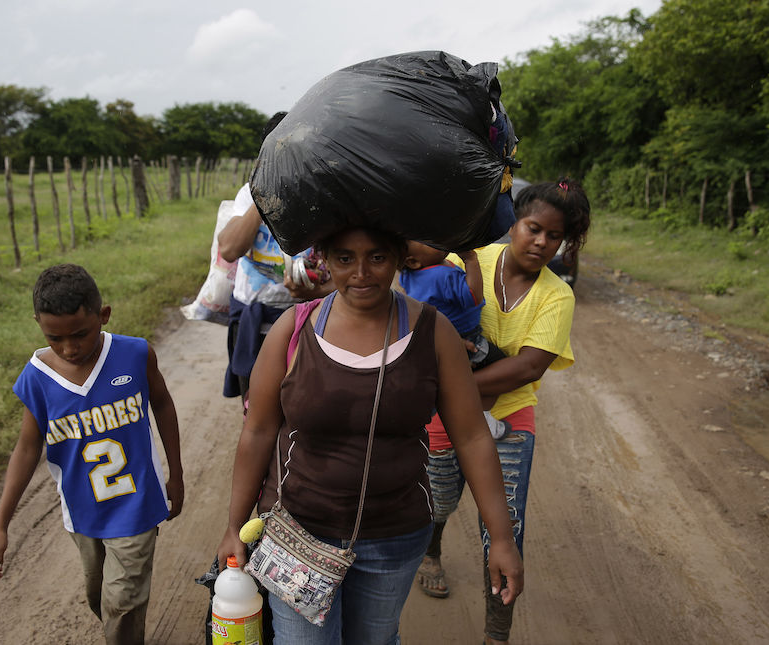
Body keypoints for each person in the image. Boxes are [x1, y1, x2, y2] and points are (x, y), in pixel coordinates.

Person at [217, 225, 524, 644]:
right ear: (324, 258)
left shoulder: (435, 334)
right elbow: (258, 431)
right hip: (297, 534)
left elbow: (471, 436)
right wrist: (235, 524)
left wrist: (502, 539)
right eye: (345, 258)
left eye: (377, 257)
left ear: (400, 256)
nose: (361, 272)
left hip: (394, 537)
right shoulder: (295, 330)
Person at [417, 178, 591, 645]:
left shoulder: (557, 296)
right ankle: (430, 552)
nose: (541, 242)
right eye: (534, 228)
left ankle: (497, 635)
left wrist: (449, 387)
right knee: (438, 496)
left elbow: (528, 367)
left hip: (509, 417)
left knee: (505, 529)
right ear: (514, 222)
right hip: (443, 412)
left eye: (554, 236)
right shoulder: (466, 260)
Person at [0, 263, 185, 645]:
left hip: (136, 504)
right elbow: (27, 449)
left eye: (80, 334)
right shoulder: (37, 378)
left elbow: (163, 404)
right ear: (40, 326)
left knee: (122, 601)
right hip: (83, 511)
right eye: (55, 338)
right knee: (100, 597)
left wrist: (176, 472)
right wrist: (0, 524)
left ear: (103, 316)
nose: (69, 348)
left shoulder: (135, 354)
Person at [218, 112, 332, 404]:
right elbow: (230, 249)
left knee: (303, 407)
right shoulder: (249, 195)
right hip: (254, 318)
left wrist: (316, 291)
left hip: (308, 317)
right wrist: (263, 194)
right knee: (256, 407)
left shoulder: (322, 195)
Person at [400, 241, 509, 438]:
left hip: (435, 339)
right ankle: (483, 416)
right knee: (501, 365)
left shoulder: (411, 275)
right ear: (414, 261)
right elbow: (473, 296)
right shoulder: (440, 275)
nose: (434, 239)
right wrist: (471, 260)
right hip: (465, 338)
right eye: (427, 242)